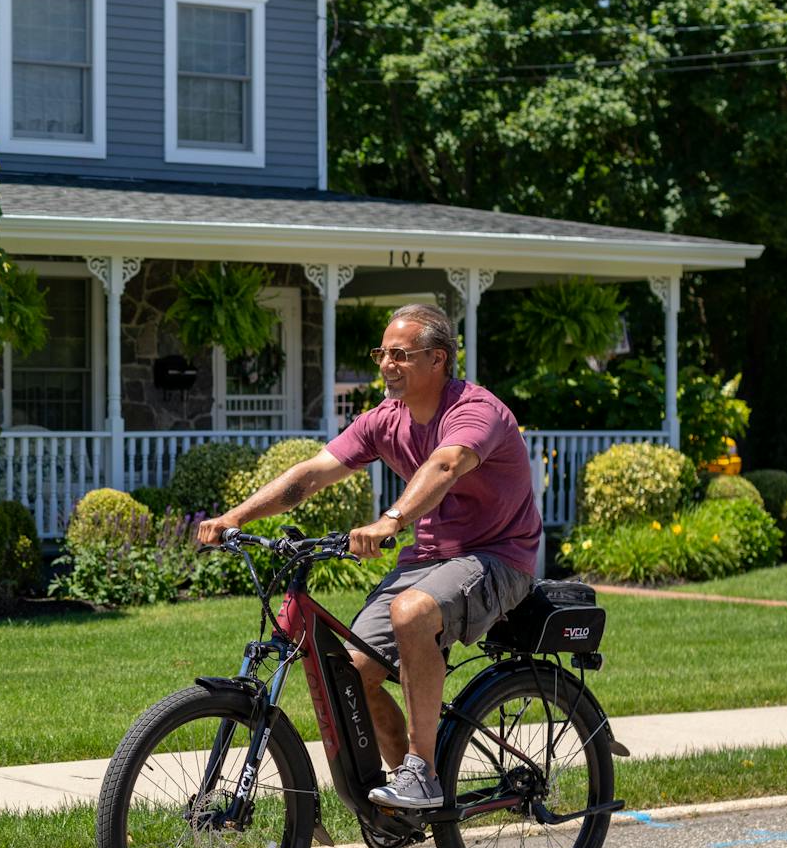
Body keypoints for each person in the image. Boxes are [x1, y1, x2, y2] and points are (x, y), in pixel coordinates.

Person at [196, 303, 542, 809]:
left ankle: (423, 773)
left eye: (400, 354)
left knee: (412, 611)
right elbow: (312, 473)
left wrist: (391, 521)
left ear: (437, 359)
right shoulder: (385, 421)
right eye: (382, 352)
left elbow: (446, 465)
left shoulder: (475, 411)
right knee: (352, 672)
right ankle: (403, 788)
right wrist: (235, 518)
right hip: (430, 560)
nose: (385, 363)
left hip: (497, 557)